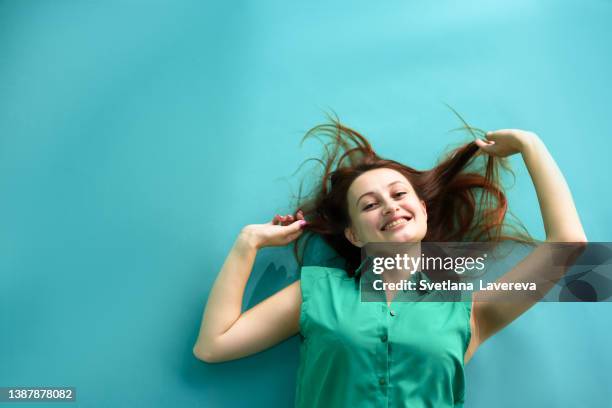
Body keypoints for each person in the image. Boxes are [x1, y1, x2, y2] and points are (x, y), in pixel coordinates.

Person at [193, 117, 587, 407]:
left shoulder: (466, 308)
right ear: (354, 234)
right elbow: (213, 346)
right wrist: (247, 244)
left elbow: (569, 247)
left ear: (423, 212)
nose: (389, 207)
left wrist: (530, 145)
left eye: (399, 194)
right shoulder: (316, 291)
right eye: (369, 204)